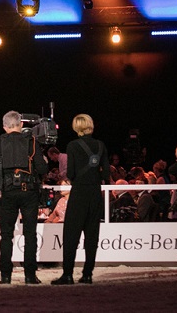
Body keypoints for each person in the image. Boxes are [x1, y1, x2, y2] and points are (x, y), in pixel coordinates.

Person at [51, 113, 109, 285]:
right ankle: (88, 274)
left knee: (71, 234)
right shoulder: (101, 145)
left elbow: (71, 174)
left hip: (79, 194)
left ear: (77, 127)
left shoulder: (73, 145)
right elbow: (106, 173)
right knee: (92, 235)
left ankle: (67, 275)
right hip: (95, 194)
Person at [0, 110, 48, 285]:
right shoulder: (31, 141)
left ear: (4, 127)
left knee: (6, 235)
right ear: (21, 124)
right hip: (29, 191)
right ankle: (30, 276)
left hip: (8, 192)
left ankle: (5, 276)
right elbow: (42, 169)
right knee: (30, 234)